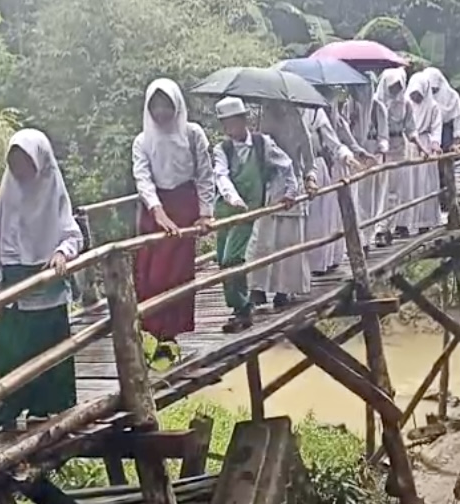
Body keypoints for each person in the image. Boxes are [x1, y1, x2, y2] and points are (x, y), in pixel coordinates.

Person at [0, 128, 83, 434]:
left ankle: (44, 406)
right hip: (15, 285)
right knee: (11, 349)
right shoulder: (8, 193)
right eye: (14, 163)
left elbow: (71, 234)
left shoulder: (53, 189)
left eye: (25, 162)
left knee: (49, 346)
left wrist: (63, 253)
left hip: (48, 282)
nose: (20, 170)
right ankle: (2, 410)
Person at [132, 78, 214, 368]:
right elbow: (143, 179)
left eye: (166, 105)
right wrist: (158, 212)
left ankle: (169, 341)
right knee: (149, 274)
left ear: (177, 105)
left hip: (183, 206)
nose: (161, 112)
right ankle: (147, 337)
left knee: (175, 275)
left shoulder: (193, 134)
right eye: (155, 106)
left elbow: (205, 174)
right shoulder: (142, 141)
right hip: (155, 211)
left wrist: (205, 212)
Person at [212, 97, 304, 331]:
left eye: (233, 122)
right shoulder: (222, 149)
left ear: (244, 121)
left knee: (233, 258)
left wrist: (291, 191)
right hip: (225, 209)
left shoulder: (263, 144)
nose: (229, 128)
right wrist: (233, 198)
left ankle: (243, 308)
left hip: (249, 209)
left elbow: (286, 164)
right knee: (223, 261)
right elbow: (220, 175)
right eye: (225, 124)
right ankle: (237, 308)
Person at [304, 89, 362, 275]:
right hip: (295, 169)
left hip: (317, 166)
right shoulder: (284, 115)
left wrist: (346, 156)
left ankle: (319, 262)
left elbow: (332, 141)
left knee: (320, 218)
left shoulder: (316, 114)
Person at [374, 68, 430, 247]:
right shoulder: (375, 104)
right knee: (378, 191)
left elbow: (410, 128)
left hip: (398, 146)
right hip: (379, 149)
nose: (395, 90)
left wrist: (421, 147)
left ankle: (385, 229)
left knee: (393, 191)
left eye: (398, 86)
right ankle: (373, 229)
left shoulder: (405, 104)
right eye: (392, 87)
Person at [341, 84, 389, 249]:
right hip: (356, 156)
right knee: (356, 199)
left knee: (371, 199)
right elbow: (343, 128)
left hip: (372, 155)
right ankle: (359, 239)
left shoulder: (377, 108)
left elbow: (383, 135)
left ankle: (369, 235)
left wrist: (380, 149)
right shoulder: (350, 106)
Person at [406, 71, 443, 234]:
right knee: (408, 185)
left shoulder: (433, 106)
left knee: (424, 184)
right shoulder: (405, 105)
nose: (416, 98)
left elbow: (436, 127)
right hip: (408, 144)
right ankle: (405, 222)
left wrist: (435, 144)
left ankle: (425, 220)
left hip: (425, 146)